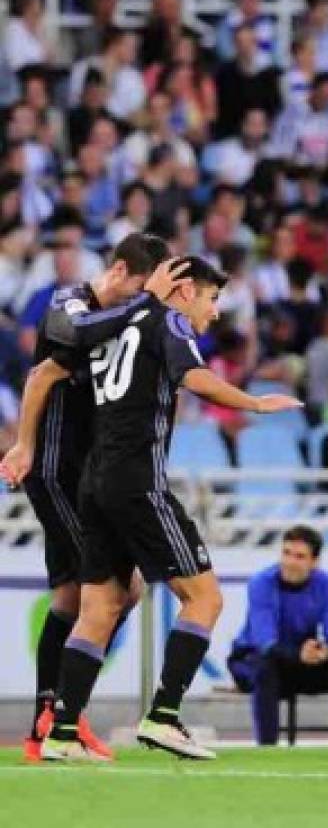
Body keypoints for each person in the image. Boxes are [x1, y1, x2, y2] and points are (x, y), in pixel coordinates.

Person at [32, 255, 303, 761]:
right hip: (138, 481)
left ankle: (62, 732)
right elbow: (193, 375)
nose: (215, 312)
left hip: (94, 482)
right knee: (205, 598)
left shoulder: (114, 321)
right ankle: (164, 716)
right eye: (212, 297)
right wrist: (256, 403)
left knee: (100, 608)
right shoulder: (168, 319)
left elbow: (62, 349)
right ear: (183, 291)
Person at [0, 235, 176, 763]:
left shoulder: (124, 318)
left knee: (73, 601)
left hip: (85, 477)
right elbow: (40, 374)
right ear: (119, 270)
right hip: (54, 471)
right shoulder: (68, 302)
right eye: (140, 290)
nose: (140, 303)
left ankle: (45, 726)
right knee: (120, 588)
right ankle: (63, 720)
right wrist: (25, 445)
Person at [228, 526, 328, 746]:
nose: (290, 561)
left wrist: (325, 651)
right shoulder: (261, 583)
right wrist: (300, 654)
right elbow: (264, 641)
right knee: (265, 668)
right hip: (252, 659)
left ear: (314, 562)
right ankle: (267, 748)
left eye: (299, 556)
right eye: (286, 553)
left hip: (300, 660)